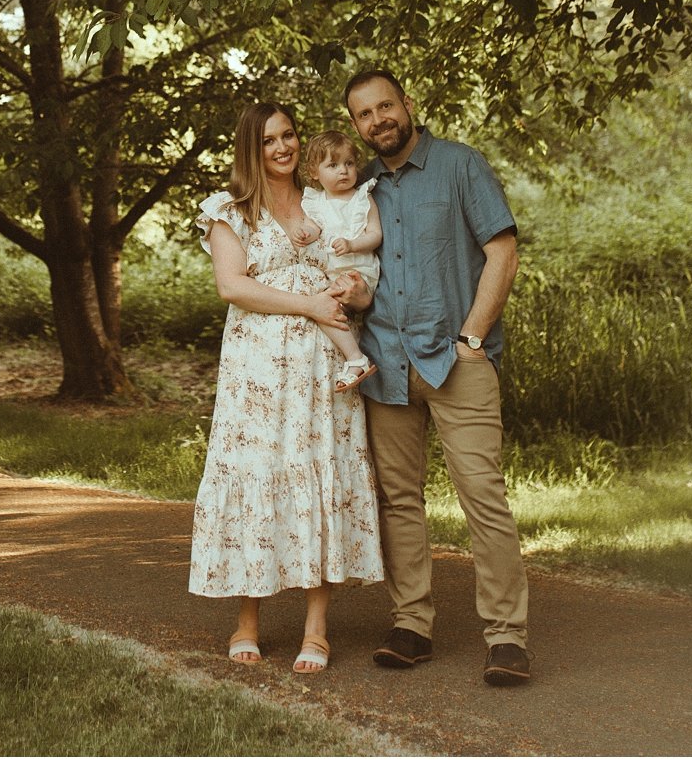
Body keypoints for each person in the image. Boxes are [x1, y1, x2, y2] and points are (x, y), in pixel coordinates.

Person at [337, 69, 532, 687]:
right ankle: (411, 626)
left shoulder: (459, 165)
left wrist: (474, 337)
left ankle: (506, 637)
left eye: (385, 106)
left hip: (456, 362)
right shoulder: (358, 186)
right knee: (398, 501)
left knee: (484, 496)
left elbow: (502, 251)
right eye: (364, 114)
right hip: (386, 367)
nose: (378, 120)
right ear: (356, 126)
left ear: (408, 104)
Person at [189, 101, 385, 675]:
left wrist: (352, 293)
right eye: (270, 139)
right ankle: (246, 619)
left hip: (324, 369)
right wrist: (305, 304)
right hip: (259, 372)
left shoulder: (325, 201)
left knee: (321, 475)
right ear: (251, 147)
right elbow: (232, 286)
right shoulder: (228, 210)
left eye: (290, 135)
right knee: (257, 476)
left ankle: (316, 629)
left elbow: (359, 282)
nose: (283, 147)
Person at [300, 130, 379, 391]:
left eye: (349, 163)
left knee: (328, 306)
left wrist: (352, 244)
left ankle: (356, 359)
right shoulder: (315, 202)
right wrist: (305, 233)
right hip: (333, 274)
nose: (343, 171)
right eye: (332, 165)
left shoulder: (362, 198)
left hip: (360, 272)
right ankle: (354, 357)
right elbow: (313, 227)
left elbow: (375, 234)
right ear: (314, 172)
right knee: (325, 309)